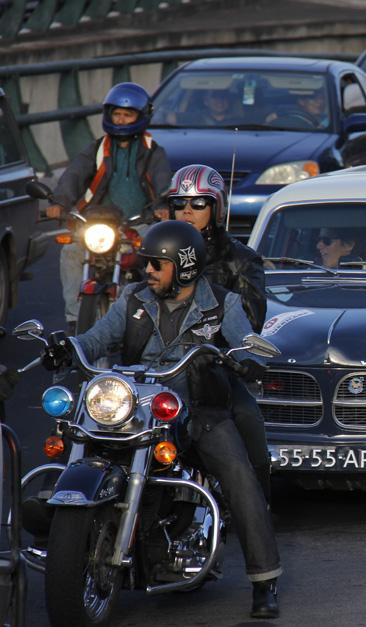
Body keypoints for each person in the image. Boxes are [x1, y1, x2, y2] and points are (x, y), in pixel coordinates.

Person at [43, 221, 281, 619]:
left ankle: (265, 581)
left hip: (198, 406)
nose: (146, 270)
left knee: (240, 478)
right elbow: (98, 337)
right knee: (72, 435)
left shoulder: (222, 304)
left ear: (184, 267)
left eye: (156, 264)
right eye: (146, 262)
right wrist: (68, 346)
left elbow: (245, 345)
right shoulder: (134, 299)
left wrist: (243, 361)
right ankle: (54, 520)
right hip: (135, 401)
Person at [166, 164, 271, 502]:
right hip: (159, 369)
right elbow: (128, 313)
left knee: (248, 420)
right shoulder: (155, 253)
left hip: (215, 369)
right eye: (180, 202)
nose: (187, 210)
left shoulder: (240, 259)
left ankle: (256, 508)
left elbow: (251, 321)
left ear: (216, 208)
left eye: (198, 204)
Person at [46, 82, 171, 334]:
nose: (121, 120)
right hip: (98, 224)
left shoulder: (153, 152)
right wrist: (59, 202)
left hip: (139, 222)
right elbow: (74, 174)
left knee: (160, 255)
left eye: (127, 114)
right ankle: (74, 319)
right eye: (117, 114)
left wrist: (164, 206)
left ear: (140, 117)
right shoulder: (97, 149)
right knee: (71, 251)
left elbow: (164, 183)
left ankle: (157, 316)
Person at [265, 89, 329, 129]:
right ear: (301, 102)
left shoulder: (329, 119)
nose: (320, 102)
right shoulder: (284, 118)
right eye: (313, 99)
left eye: (322, 99)